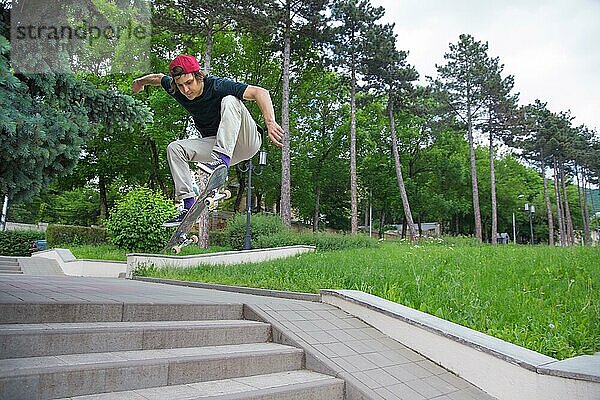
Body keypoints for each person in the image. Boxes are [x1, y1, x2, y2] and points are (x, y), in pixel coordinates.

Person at [132, 54, 284, 227]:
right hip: (217, 144)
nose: (186, 90)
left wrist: (270, 122)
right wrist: (140, 81)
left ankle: (221, 161)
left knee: (230, 100)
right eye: (181, 85)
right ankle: (188, 205)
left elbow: (260, 92)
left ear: (199, 76)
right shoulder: (176, 88)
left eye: (189, 83)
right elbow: (158, 78)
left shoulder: (217, 85)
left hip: (247, 142)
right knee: (174, 148)